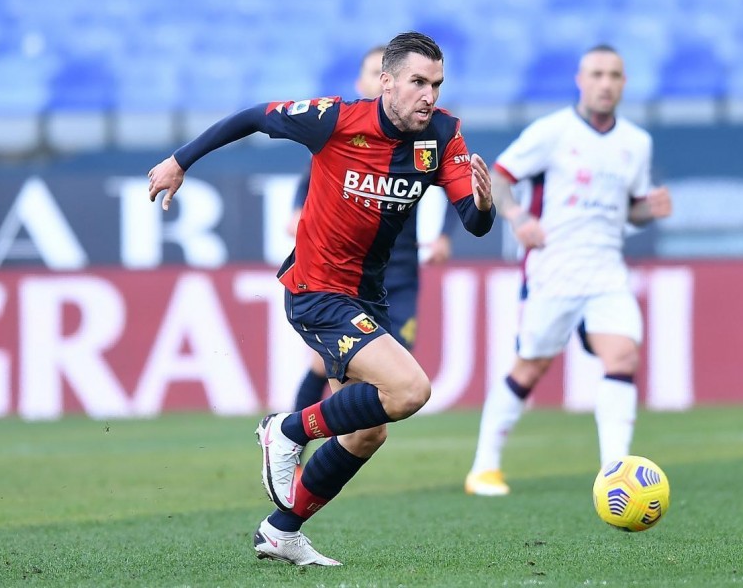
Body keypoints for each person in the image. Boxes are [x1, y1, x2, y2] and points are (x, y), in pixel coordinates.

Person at [147, 31, 495, 565]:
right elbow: (253, 116)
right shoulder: (335, 120)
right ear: (387, 82)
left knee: (367, 434)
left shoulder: (443, 134)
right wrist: (181, 160)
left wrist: (485, 204)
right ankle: (285, 429)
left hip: (367, 297)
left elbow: (471, 222)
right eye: (418, 82)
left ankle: (282, 531)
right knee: (411, 390)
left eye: (437, 84)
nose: (429, 95)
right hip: (317, 289)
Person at [464, 44, 672, 497]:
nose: (605, 83)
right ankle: (484, 466)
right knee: (530, 368)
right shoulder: (553, 131)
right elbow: (499, 176)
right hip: (554, 268)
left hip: (607, 269)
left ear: (624, 83)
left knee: (623, 356)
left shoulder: (637, 143)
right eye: (596, 74)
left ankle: (614, 474)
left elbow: (630, 211)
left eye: (614, 75)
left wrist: (648, 209)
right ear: (581, 80)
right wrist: (519, 219)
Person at [287, 45, 456, 424]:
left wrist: (445, 234)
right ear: (375, 81)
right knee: (328, 366)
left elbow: (455, 186)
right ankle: (291, 438)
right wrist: (297, 215)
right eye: (368, 72)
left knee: (391, 375)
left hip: (399, 272)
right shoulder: (339, 136)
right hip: (343, 278)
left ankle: (309, 438)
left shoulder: (423, 136)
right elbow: (308, 185)